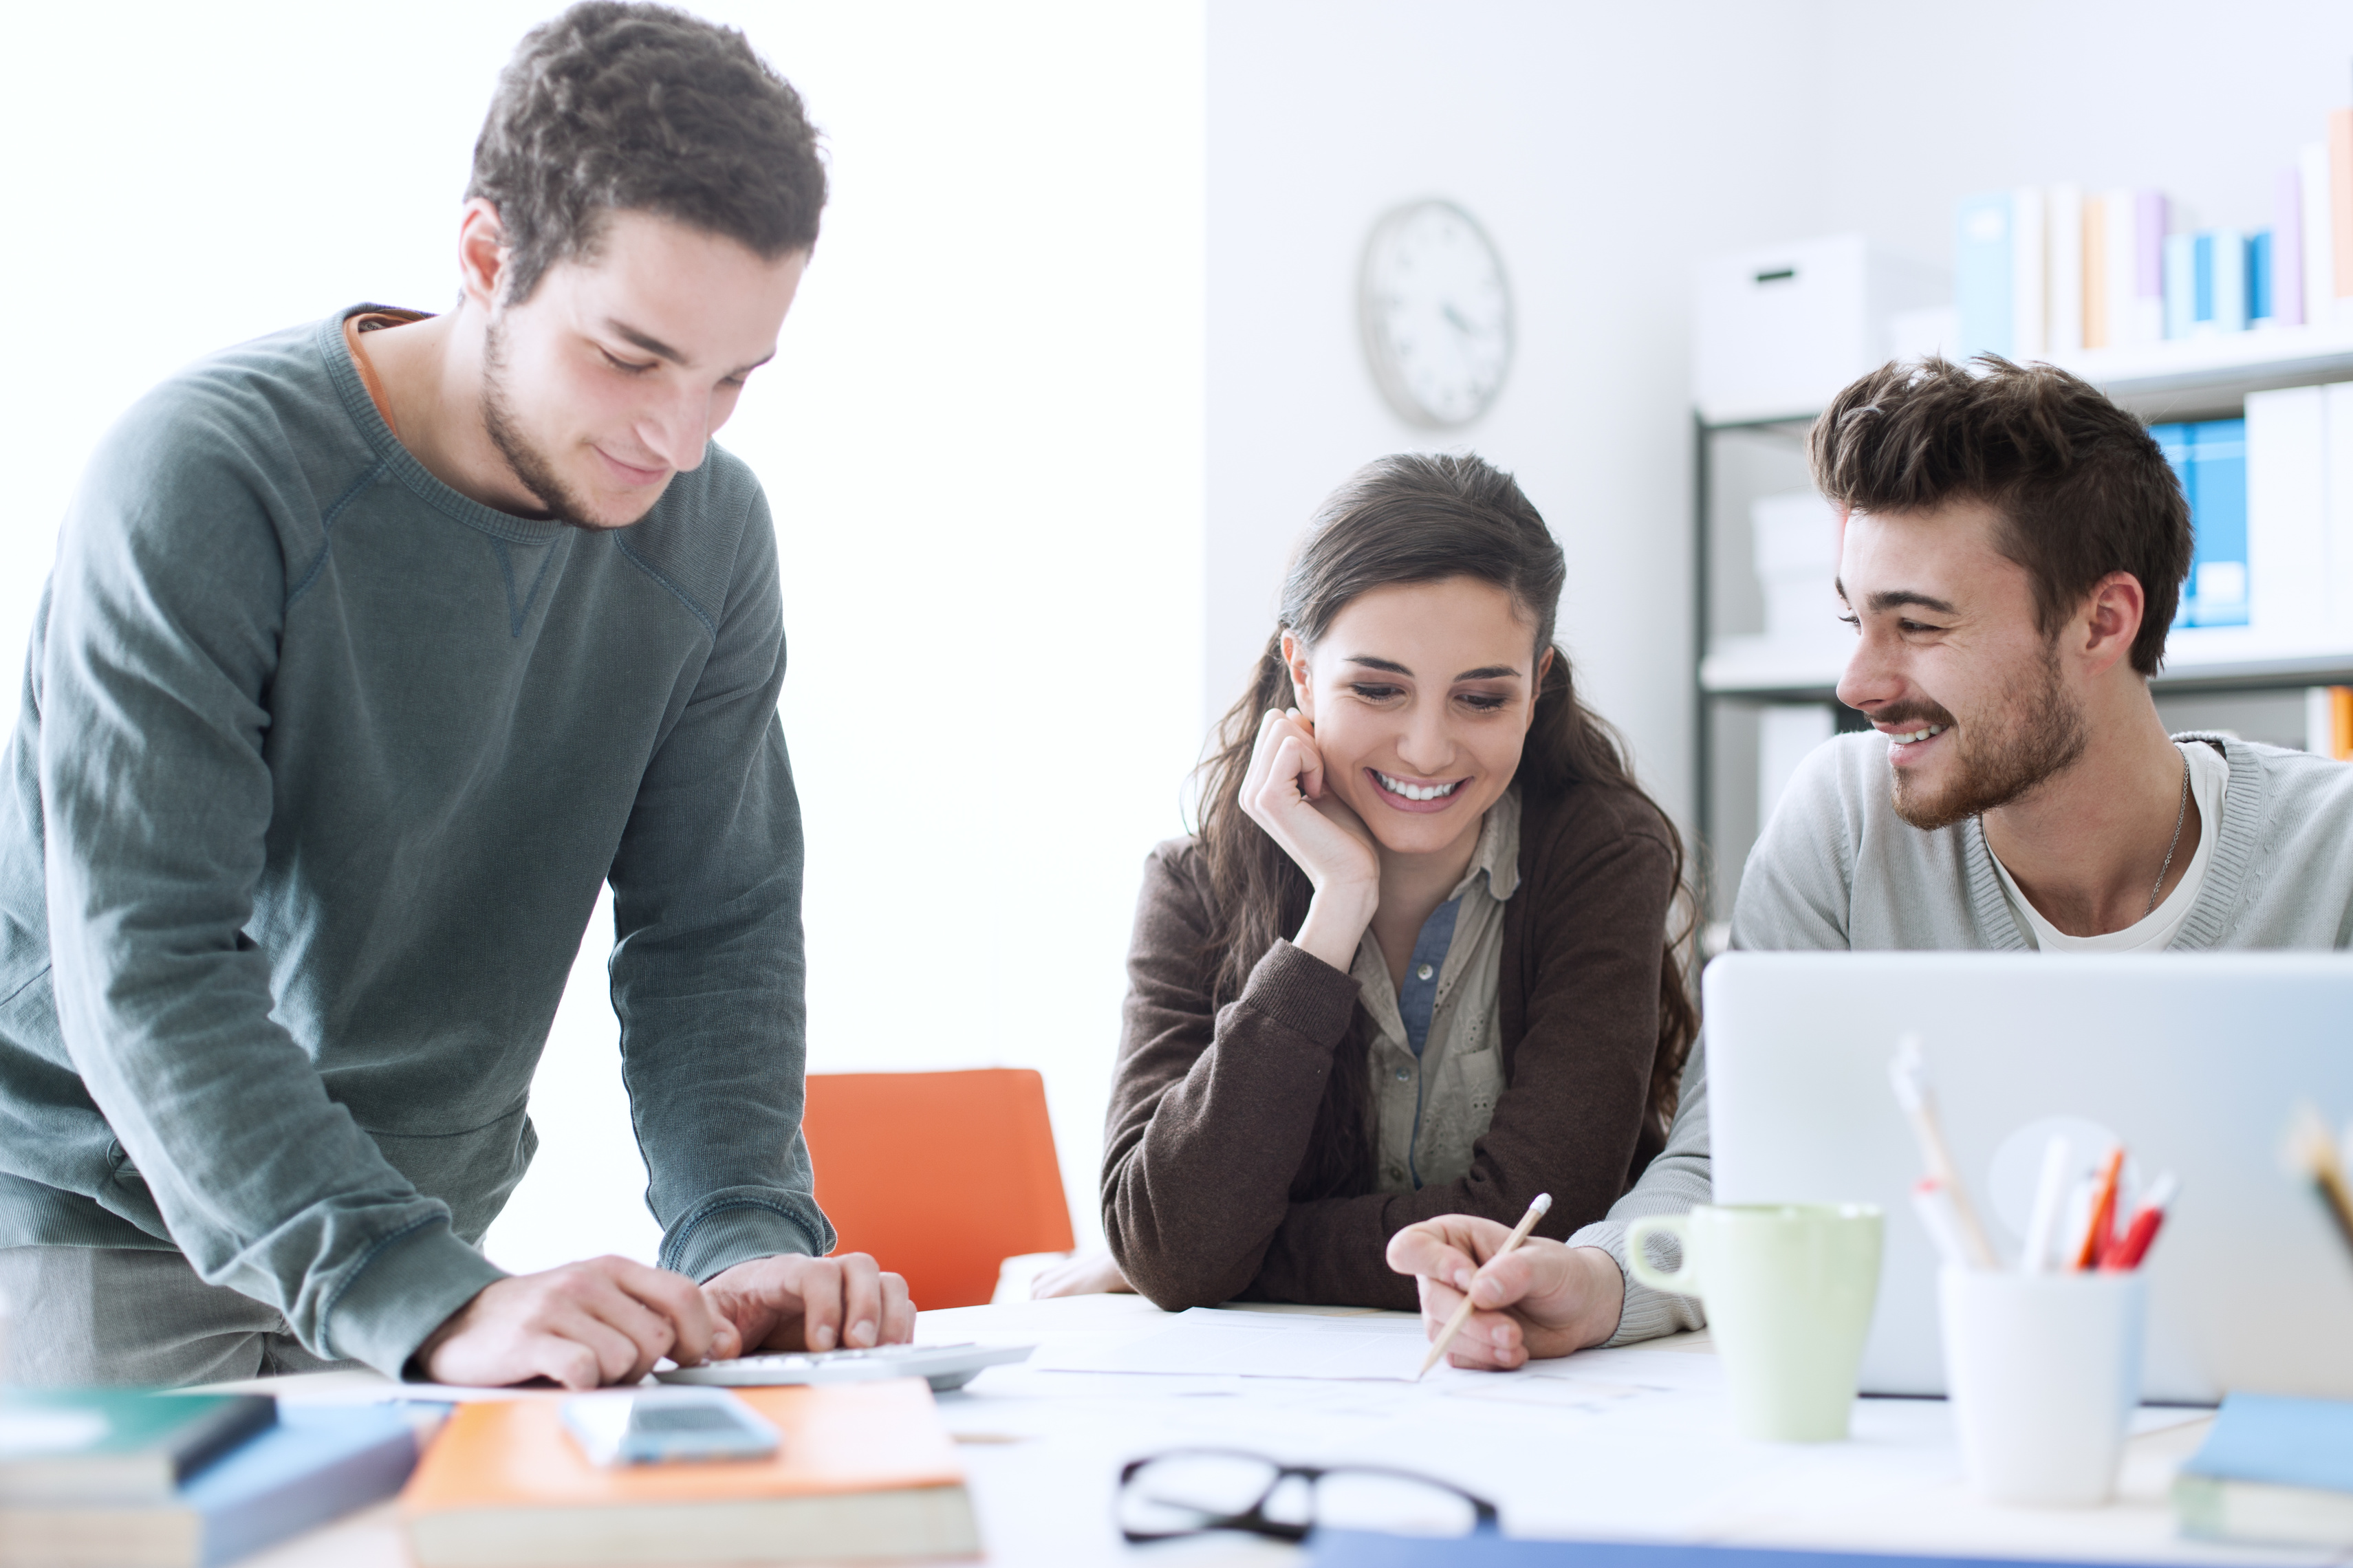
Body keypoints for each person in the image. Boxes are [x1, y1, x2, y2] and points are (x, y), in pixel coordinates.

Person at [0, 3, 913, 1389]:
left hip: (420, 1241)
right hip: (99, 1237)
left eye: (732, 379)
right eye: (628, 355)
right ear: (487, 256)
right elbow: (148, 953)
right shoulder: (205, 476)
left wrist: (738, 1236)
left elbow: (711, 929)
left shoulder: (711, 534)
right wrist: (414, 1292)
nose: (676, 437)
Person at [1387, 353, 2353, 1370]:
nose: (1858, 679)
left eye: (1919, 625)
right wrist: (1596, 1282)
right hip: (1921, 1440)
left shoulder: (2327, 853)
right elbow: (1735, 1166)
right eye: (1855, 620)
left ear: (2102, 622)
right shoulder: (1843, 822)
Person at [1046, 453, 1697, 1313]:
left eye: (1481, 699)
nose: (1426, 748)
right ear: (1303, 672)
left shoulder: (1599, 856)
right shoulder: (1192, 887)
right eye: (1379, 689)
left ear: (1536, 686)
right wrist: (1334, 914)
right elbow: (1174, 1246)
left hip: (1549, 1388)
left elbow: (1532, 1230)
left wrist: (1240, 1258)